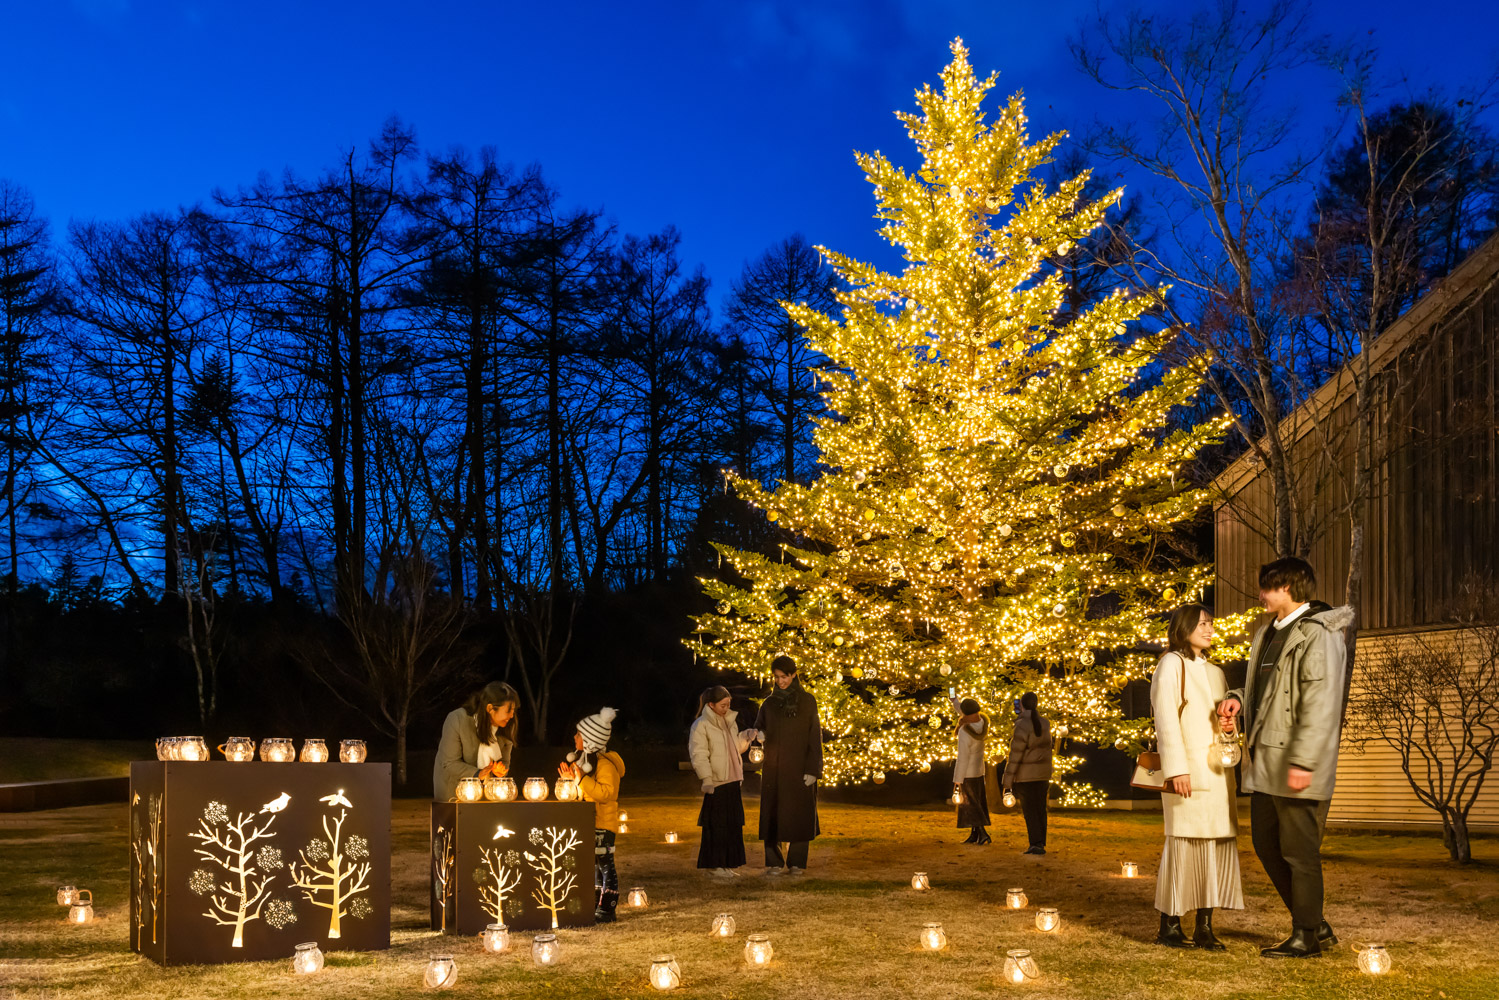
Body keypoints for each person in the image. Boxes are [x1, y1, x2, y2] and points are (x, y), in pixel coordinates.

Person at [1217, 557, 1353, 959]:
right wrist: (1237, 700)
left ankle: (1306, 934)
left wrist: (1305, 762)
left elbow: (1320, 703)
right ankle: (1315, 924)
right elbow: (1266, 690)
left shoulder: (1318, 632)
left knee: (1299, 851)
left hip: (1295, 762)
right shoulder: (1267, 633)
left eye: (1267, 587)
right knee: (1265, 843)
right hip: (1265, 760)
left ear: (1289, 587)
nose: (1261, 595)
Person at [1151, 604, 1243, 951]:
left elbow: (1219, 721)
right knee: (1184, 844)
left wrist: (1230, 728)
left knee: (1214, 846)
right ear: (1184, 626)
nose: (1208, 629)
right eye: (1202, 623)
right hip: (1187, 771)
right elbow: (1165, 718)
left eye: (1211, 623)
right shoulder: (1171, 664)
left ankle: (1205, 926)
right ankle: (1170, 925)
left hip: (1216, 773)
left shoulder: (1217, 672)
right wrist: (1176, 769)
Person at [753, 655, 823, 874]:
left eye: (784, 676)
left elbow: (814, 736)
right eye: (776, 677)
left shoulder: (808, 701)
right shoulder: (769, 703)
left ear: (794, 674)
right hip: (774, 769)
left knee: (800, 815)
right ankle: (774, 862)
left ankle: (797, 862)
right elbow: (759, 729)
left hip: (800, 768)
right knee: (772, 814)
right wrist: (760, 735)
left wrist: (813, 769)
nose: (780, 681)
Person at [560, 707, 625, 922]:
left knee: (606, 865)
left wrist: (581, 780)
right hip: (591, 822)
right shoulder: (586, 763)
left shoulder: (606, 764)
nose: (574, 737)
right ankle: (595, 903)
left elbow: (606, 794)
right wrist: (572, 780)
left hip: (604, 824)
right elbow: (585, 792)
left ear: (589, 739)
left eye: (578, 734)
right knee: (595, 864)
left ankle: (607, 908)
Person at [689, 685, 759, 876]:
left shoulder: (729, 722)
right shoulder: (701, 725)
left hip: (733, 780)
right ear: (711, 705)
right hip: (717, 783)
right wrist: (706, 779)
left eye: (728, 704)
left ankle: (727, 864)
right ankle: (715, 864)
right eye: (722, 705)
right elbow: (699, 754)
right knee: (717, 825)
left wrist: (746, 737)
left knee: (732, 825)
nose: (726, 708)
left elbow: (734, 748)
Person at [433, 681, 519, 800]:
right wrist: (478, 774)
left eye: (513, 710)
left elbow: (505, 762)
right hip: (453, 790)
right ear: (490, 708)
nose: (511, 716)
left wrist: (499, 771)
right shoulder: (457, 720)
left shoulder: (507, 727)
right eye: (508, 710)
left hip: (488, 792)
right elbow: (449, 763)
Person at [1001, 691, 1053, 855]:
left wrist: (1007, 781)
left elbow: (1015, 755)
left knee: (1030, 811)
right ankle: (1040, 842)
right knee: (1040, 809)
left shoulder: (1022, 725)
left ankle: (1035, 843)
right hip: (1043, 775)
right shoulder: (1045, 723)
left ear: (1021, 705)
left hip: (1026, 776)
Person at [951, 697, 991, 845]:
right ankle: (974, 834)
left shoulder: (964, 731)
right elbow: (960, 708)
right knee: (976, 802)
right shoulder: (981, 723)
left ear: (965, 714)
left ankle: (982, 833)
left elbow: (962, 757)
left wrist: (957, 779)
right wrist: (954, 698)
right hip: (979, 771)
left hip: (967, 772)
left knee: (971, 804)